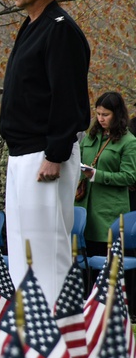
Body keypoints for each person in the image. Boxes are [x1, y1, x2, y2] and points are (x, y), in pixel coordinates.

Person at [0, 0, 89, 307]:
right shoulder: (32, 26)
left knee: (47, 251)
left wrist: (55, 153)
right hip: (23, 153)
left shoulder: (60, 29)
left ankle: (58, 340)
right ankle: (33, 333)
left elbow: (67, 100)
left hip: (45, 154)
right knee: (23, 251)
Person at [76, 92, 136, 256]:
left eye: (106, 115)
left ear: (117, 115)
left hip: (108, 214)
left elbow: (130, 176)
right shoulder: (90, 137)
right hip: (84, 211)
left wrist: (96, 175)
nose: (101, 118)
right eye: (98, 114)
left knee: (106, 267)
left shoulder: (129, 141)